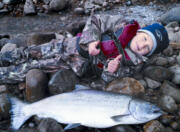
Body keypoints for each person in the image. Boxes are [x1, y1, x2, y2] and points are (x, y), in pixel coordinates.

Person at [0, 14, 169, 84]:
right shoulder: (121, 23)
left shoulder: (135, 64)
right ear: (140, 31)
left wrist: (111, 71)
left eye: (148, 48)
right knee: (33, 52)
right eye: (145, 38)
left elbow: (107, 79)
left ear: (148, 54)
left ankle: (4, 75)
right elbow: (95, 19)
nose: (143, 45)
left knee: (34, 68)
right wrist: (91, 41)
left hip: (77, 66)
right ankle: (9, 56)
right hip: (72, 44)